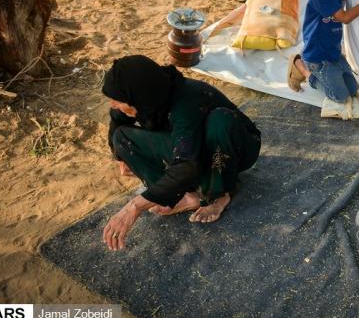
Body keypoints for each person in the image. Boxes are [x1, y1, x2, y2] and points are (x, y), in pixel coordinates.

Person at [100, 55, 261, 251]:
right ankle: (183, 195)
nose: (113, 104)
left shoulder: (185, 100)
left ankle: (219, 193)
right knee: (121, 138)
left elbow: (187, 164)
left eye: (117, 99)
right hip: (192, 146)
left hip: (232, 146)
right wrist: (119, 156)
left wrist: (134, 206)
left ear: (137, 95)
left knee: (221, 121)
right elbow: (117, 120)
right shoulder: (148, 96)